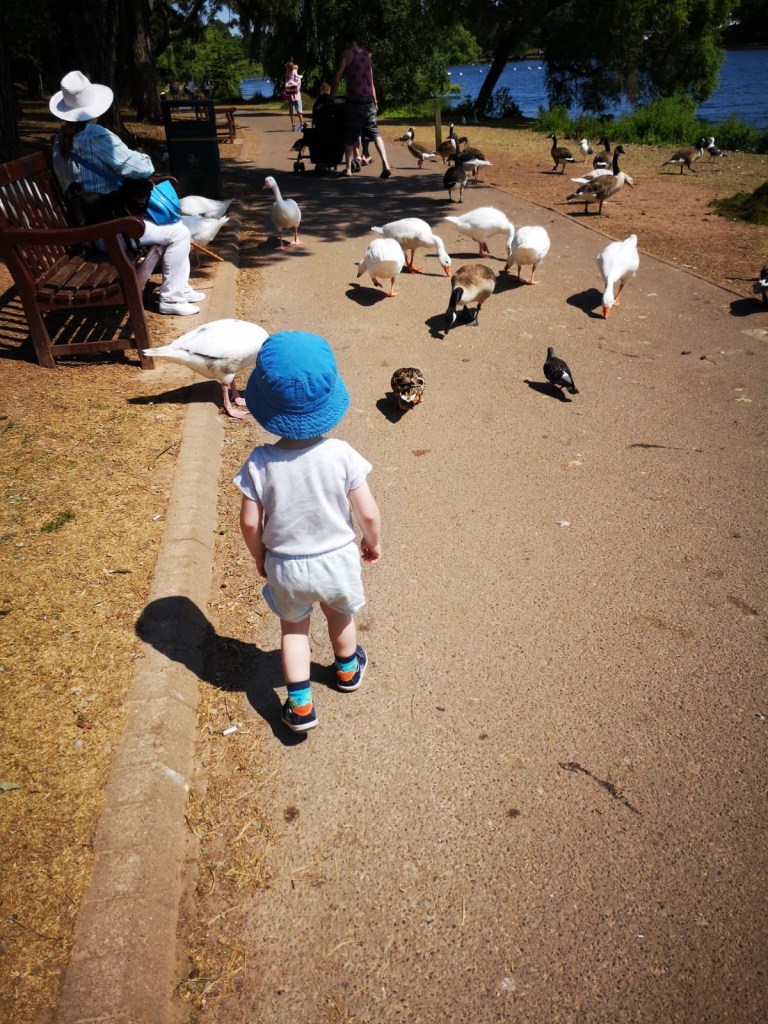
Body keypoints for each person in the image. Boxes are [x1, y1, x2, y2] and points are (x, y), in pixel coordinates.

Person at [234, 331, 382, 734]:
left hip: (286, 566)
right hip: (337, 560)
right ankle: (347, 670)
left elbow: (249, 522)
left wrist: (260, 557)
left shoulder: (259, 462)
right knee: (340, 613)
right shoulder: (342, 454)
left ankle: (300, 705)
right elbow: (367, 512)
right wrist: (373, 542)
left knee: (294, 631)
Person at [50, 70, 205, 316]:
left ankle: (182, 287)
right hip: (108, 231)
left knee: (170, 224)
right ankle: (171, 299)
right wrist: (141, 154)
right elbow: (143, 168)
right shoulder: (97, 135)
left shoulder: (59, 141)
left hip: (86, 227)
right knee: (179, 232)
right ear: (95, 108)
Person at [330, 34, 392, 178]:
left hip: (355, 100)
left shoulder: (347, 54)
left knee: (350, 136)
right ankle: (385, 164)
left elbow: (338, 76)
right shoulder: (366, 55)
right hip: (369, 100)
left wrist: (332, 95)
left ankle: (348, 169)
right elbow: (371, 81)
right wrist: (375, 102)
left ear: (347, 42)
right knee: (375, 133)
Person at [283, 62, 304, 131]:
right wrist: (291, 87)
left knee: (299, 112)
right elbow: (286, 86)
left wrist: (290, 87)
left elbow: (297, 88)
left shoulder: (298, 78)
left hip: (297, 97)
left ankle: (301, 125)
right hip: (290, 97)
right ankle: (293, 126)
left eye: (296, 68)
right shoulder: (287, 76)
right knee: (292, 112)